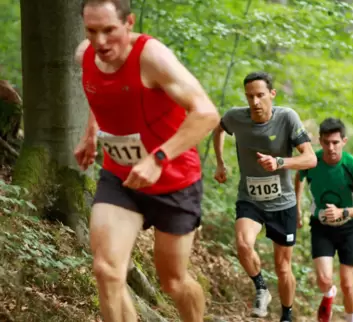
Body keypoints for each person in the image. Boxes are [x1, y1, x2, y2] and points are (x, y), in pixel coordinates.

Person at [73, 1, 220, 321]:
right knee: (107, 270)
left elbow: (207, 113)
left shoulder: (152, 57)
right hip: (121, 178)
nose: (100, 42)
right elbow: (97, 93)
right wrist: (91, 132)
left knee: (174, 282)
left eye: (109, 30)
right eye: (92, 30)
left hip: (174, 181)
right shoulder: (85, 55)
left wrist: (158, 158)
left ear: (129, 23)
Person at [213, 71, 317, 322]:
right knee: (243, 243)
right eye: (250, 96)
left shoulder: (287, 118)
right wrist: (220, 163)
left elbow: (311, 158)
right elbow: (217, 129)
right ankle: (261, 287)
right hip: (250, 199)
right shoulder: (236, 117)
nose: (255, 102)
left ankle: (287, 315)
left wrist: (280, 161)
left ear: (272, 94)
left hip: (283, 203)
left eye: (260, 95)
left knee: (283, 268)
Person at [295, 118, 353, 322]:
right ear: (320, 142)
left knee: (348, 284)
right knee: (324, 280)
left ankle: (351, 319)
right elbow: (299, 177)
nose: (331, 148)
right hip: (321, 226)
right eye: (326, 142)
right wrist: (296, 207)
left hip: (349, 228)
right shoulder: (313, 160)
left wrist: (344, 212)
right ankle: (329, 295)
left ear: (344, 141)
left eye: (336, 142)